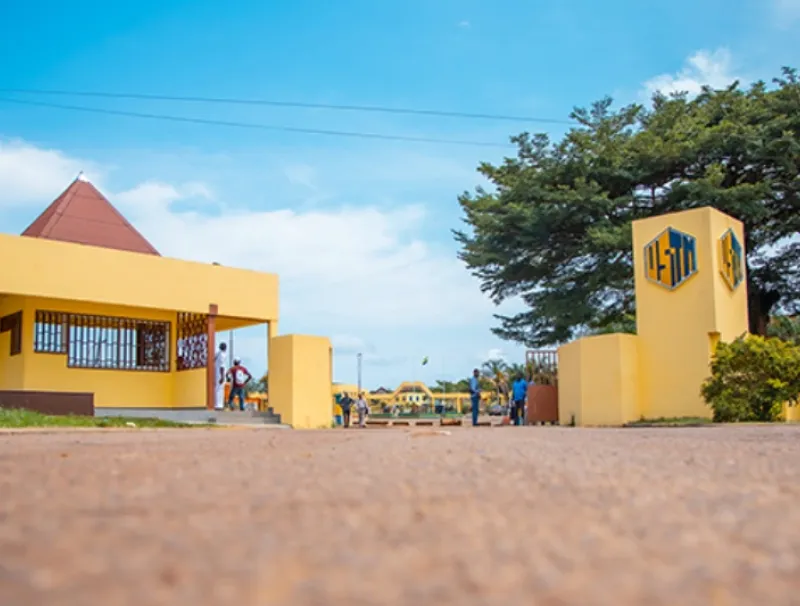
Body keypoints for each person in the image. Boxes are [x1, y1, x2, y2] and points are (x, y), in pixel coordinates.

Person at [214, 343, 227, 411]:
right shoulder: (223, 355)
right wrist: (222, 376)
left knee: (216, 389)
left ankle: (216, 404)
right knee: (220, 389)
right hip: (220, 374)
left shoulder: (217, 353)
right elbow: (222, 366)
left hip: (216, 373)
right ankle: (219, 405)